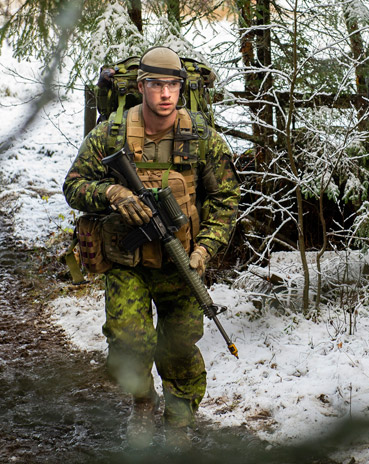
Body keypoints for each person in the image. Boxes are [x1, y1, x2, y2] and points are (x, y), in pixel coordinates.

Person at [63, 46, 240, 450]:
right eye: (157, 84)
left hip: (182, 265)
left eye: (173, 85)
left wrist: (205, 249)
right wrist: (110, 191)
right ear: (141, 86)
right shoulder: (110, 134)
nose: (165, 94)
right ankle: (143, 402)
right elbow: (73, 186)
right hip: (127, 262)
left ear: (182, 88)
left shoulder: (203, 139)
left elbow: (226, 200)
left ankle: (180, 422)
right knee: (128, 341)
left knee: (179, 347)